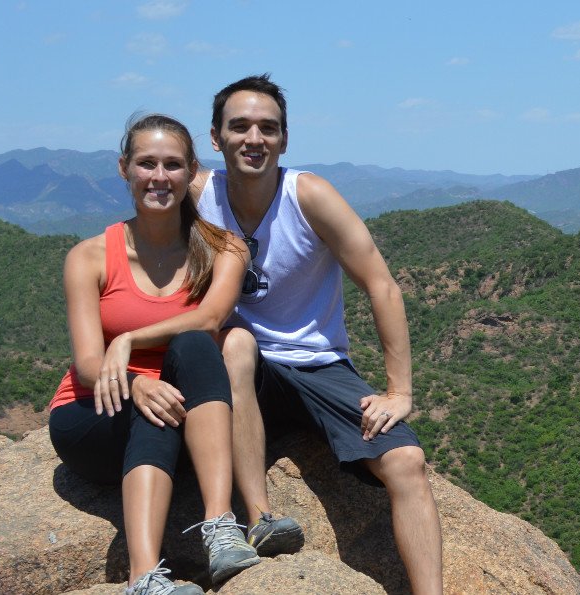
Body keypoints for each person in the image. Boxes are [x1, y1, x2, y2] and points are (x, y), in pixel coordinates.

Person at [193, 74, 444, 594]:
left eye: (268, 128)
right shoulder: (198, 195)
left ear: (285, 138)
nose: (253, 139)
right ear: (215, 138)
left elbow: (382, 285)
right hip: (244, 369)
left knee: (407, 462)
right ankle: (260, 518)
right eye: (239, 126)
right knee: (236, 342)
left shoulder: (309, 196)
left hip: (317, 365)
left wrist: (399, 391)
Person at [51, 113, 258, 595]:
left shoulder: (224, 249)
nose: (159, 177)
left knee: (194, 345)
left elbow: (208, 319)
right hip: (93, 413)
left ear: (191, 172)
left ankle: (220, 527)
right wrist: (135, 379)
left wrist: (129, 339)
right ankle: (144, 579)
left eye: (172, 165)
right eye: (146, 164)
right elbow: (86, 362)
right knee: (155, 404)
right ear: (124, 168)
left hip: (185, 410)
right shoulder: (90, 257)